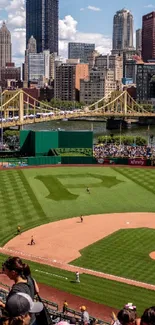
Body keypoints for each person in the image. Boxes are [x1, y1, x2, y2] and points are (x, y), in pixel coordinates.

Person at [0, 257, 39, 325]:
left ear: (13, 272)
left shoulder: (16, 290)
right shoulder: (28, 278)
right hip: (33, 319)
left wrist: (2, 305)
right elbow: (37, 291)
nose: (5, 273)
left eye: (6, 271)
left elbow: (18, 316)